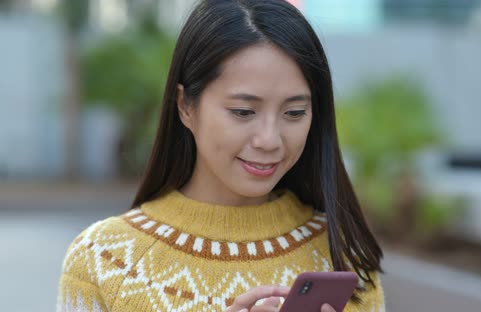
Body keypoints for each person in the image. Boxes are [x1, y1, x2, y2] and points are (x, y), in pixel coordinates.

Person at [56, 0, 384, 311]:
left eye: (295, 112)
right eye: (243, 112)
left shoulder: (342, 257)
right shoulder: (104, 259)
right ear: (185, 105)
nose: (269, 140)